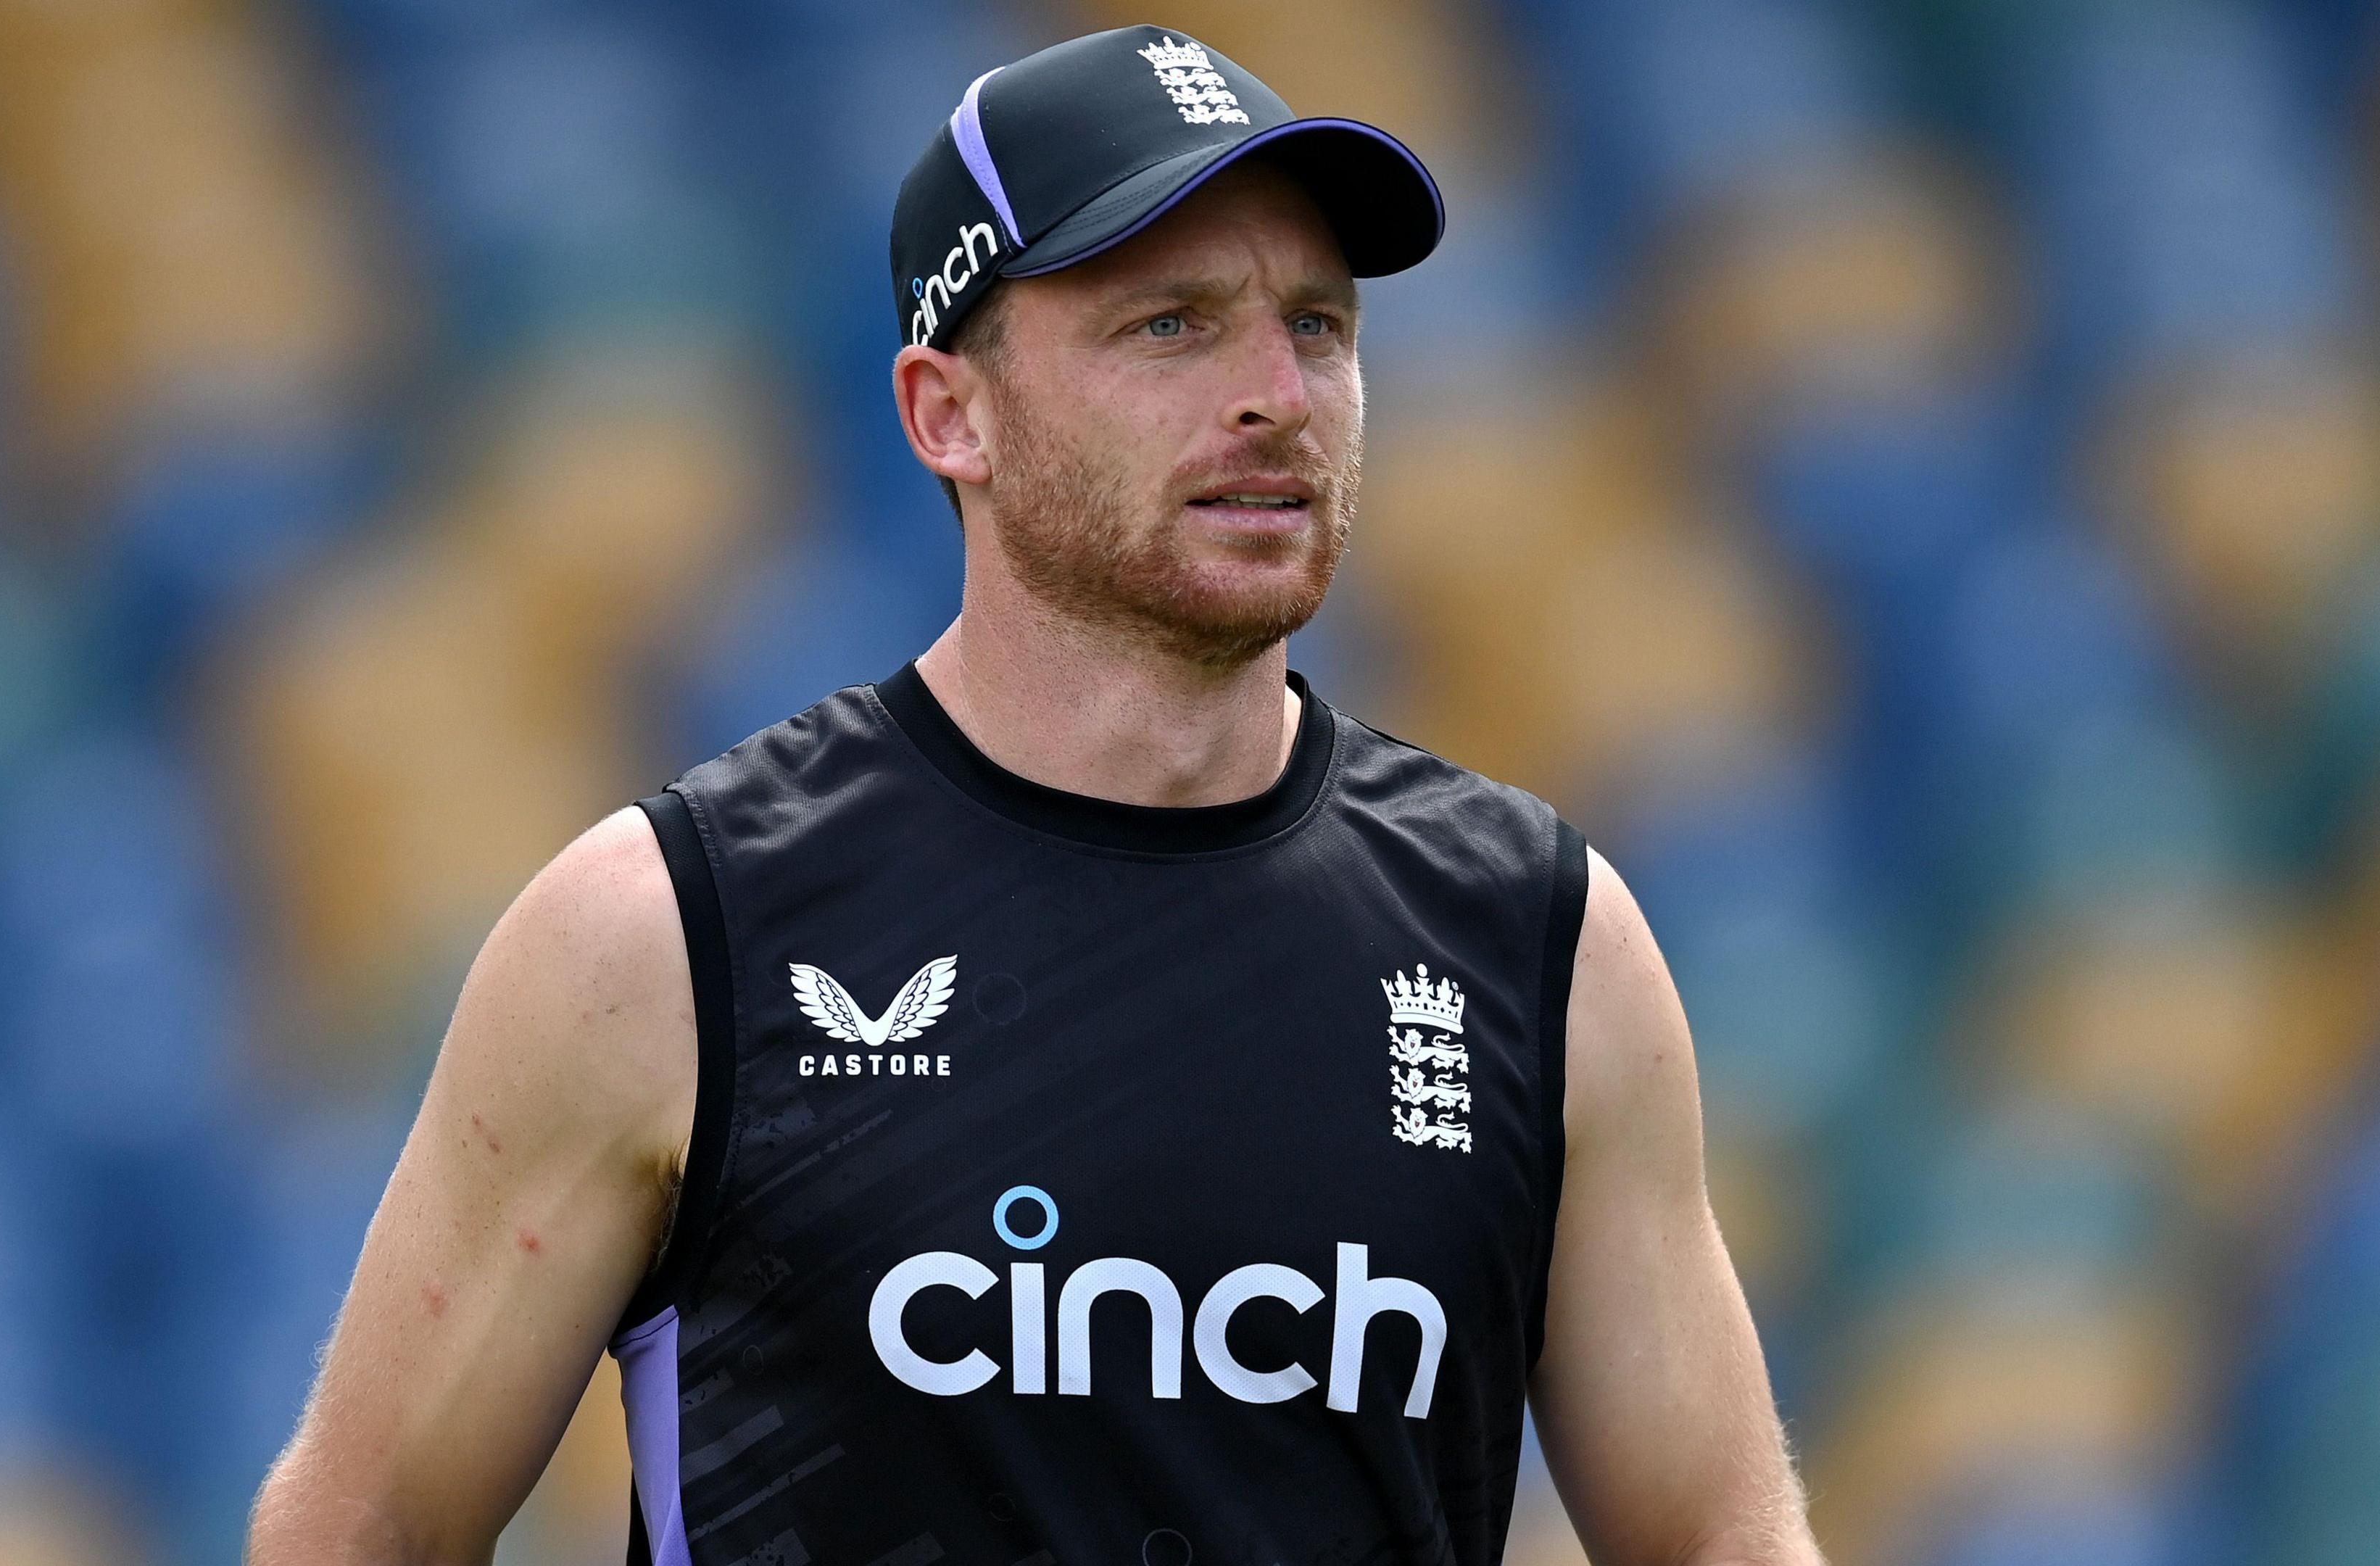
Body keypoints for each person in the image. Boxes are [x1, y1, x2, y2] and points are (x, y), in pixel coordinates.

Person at [247, 25, 1822, 1566]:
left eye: (1320, 327)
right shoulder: (668, 936)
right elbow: (368, 1525)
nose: (1277, 392)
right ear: (951, 412)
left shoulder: (1543, 947)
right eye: (1172, 326)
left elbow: (1722, 1537)